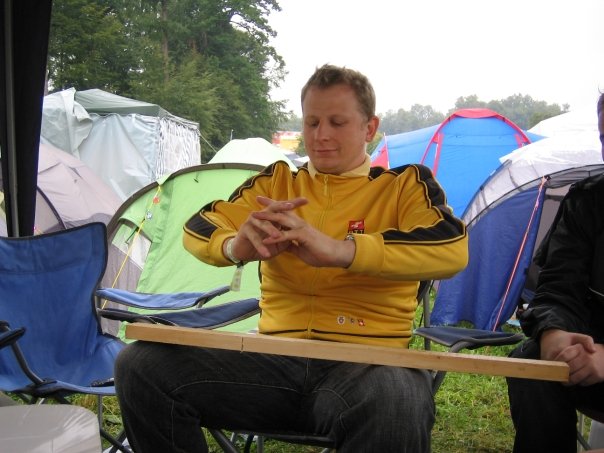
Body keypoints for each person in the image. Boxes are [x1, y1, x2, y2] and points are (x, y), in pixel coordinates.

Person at [114, 64, 468, 453]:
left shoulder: (404, 186)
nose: (321, 135)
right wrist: (236, 246)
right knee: (141, 367)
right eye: (312, 122)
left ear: (370, 128)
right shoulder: (278, 182)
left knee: (398, 399)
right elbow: (199, 226)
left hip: (368, 363)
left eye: (337, 122)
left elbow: (452, 248)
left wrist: (342, 250)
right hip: (274, 359)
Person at [506, 92, 604, 453]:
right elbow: (558, 286)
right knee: (530, 363)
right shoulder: (589, 202)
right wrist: (555, 336)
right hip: (591, 360)